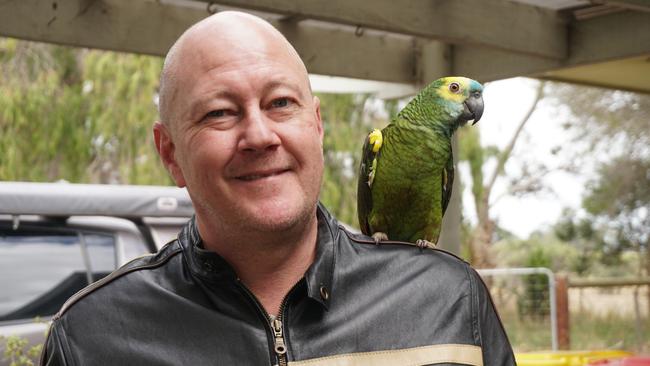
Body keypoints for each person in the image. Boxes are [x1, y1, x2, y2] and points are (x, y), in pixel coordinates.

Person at [41, 11, 515, 365]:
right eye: (219, 113)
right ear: (170, 154)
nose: (260, 137)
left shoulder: (452, 299)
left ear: (317, 126)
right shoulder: (88, 338)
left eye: (281, 103)